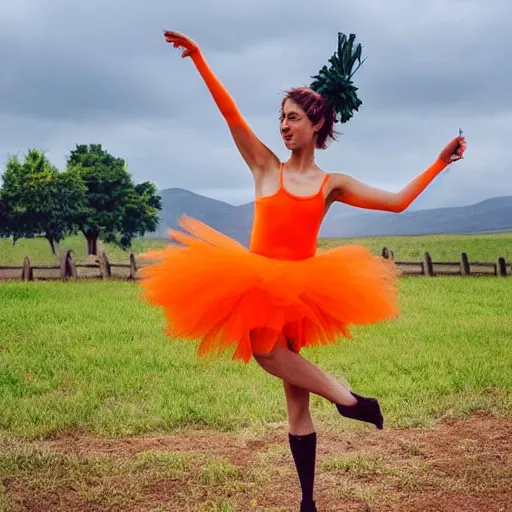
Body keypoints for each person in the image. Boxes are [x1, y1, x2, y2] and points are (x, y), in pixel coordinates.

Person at [140, 30, 467, 512]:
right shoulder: (265, 167)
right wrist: (200, 61)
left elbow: (397, 203)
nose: (283, 126)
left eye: (292, 118)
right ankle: (327, 459)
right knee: (280, 375)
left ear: (316, 124)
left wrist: (439, 163)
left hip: (299, 292)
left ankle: (337, 428)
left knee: (286, 383)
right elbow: (230, 115)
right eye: (281, 118)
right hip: (257, 283)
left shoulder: (330, 184)